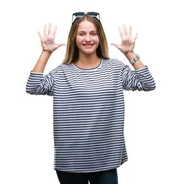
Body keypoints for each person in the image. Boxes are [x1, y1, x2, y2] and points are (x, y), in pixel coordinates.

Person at [26, 12, 156, 184]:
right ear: (74, 38)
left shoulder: (115, 69)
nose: (88, 38)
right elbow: (33, 87)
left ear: (100, 37)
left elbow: (148, 84)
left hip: (105, 161)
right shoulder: (62, 73)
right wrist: (46, 52)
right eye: (82, 34)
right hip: (70, 163)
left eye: (93, 33)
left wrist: (130, 53)